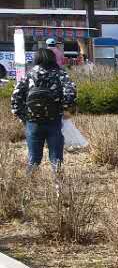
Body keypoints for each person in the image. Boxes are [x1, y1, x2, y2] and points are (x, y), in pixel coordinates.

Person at [10, 46, 76, 174]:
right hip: (54, 120)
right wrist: (65, 108)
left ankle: (30, 188)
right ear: (52, 58)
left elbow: (15, 97)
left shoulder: (28, 75)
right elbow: (71, 92)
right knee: (56, 159)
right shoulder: (60, 74)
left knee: (33, 159)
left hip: (33, 121)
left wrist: (23, 117)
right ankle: (59, 188)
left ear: (36, 58)